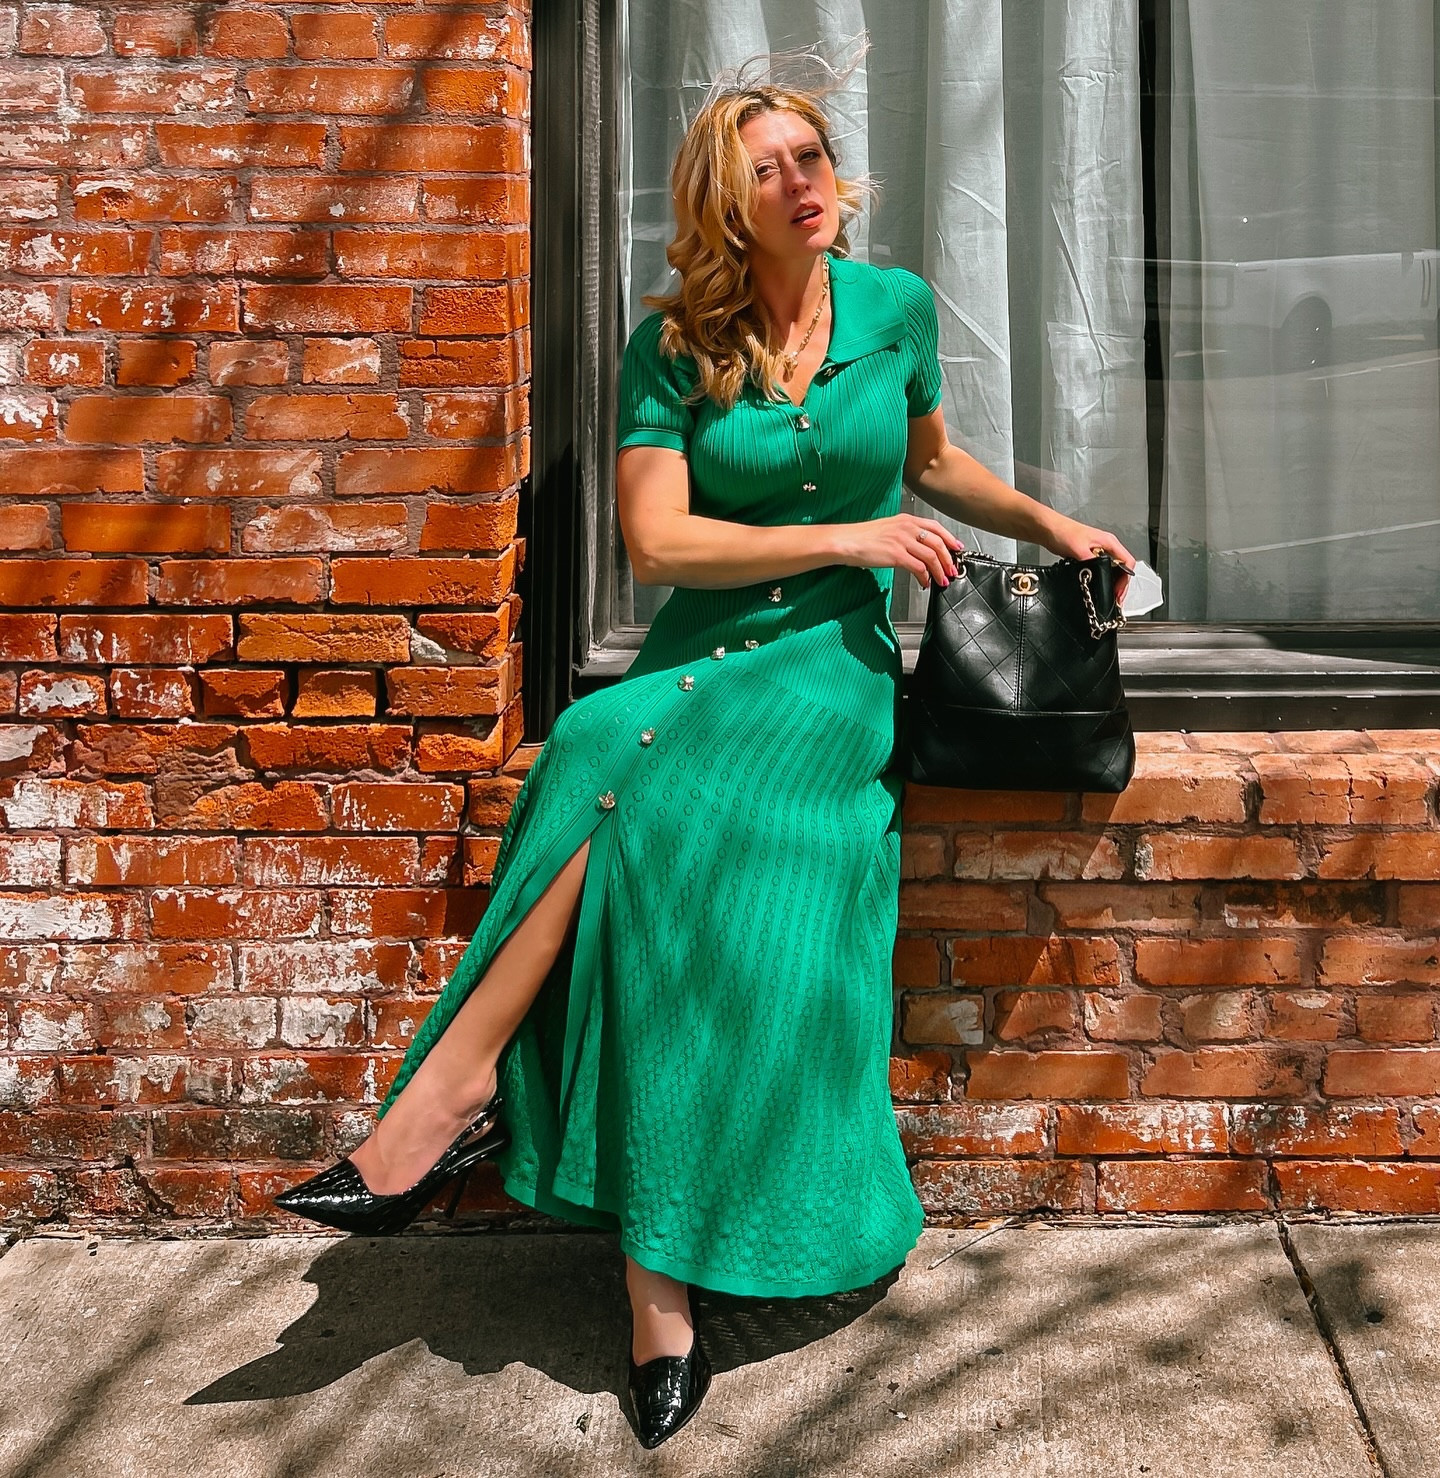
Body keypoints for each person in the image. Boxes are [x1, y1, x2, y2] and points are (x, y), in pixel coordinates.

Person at [275, 75, 1135, 1450]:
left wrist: (1055, 520)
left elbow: (935, 460)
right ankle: (645, 1288)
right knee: (608, 751)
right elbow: (660, 547)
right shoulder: (673, 342)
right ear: (725, 205)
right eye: (769, 168)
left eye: (814, 156)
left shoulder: (895, 310)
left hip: (825, 673)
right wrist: (850, 538)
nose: (803, 181)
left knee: (660, 800)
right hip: (709, 638)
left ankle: (452, 1105)